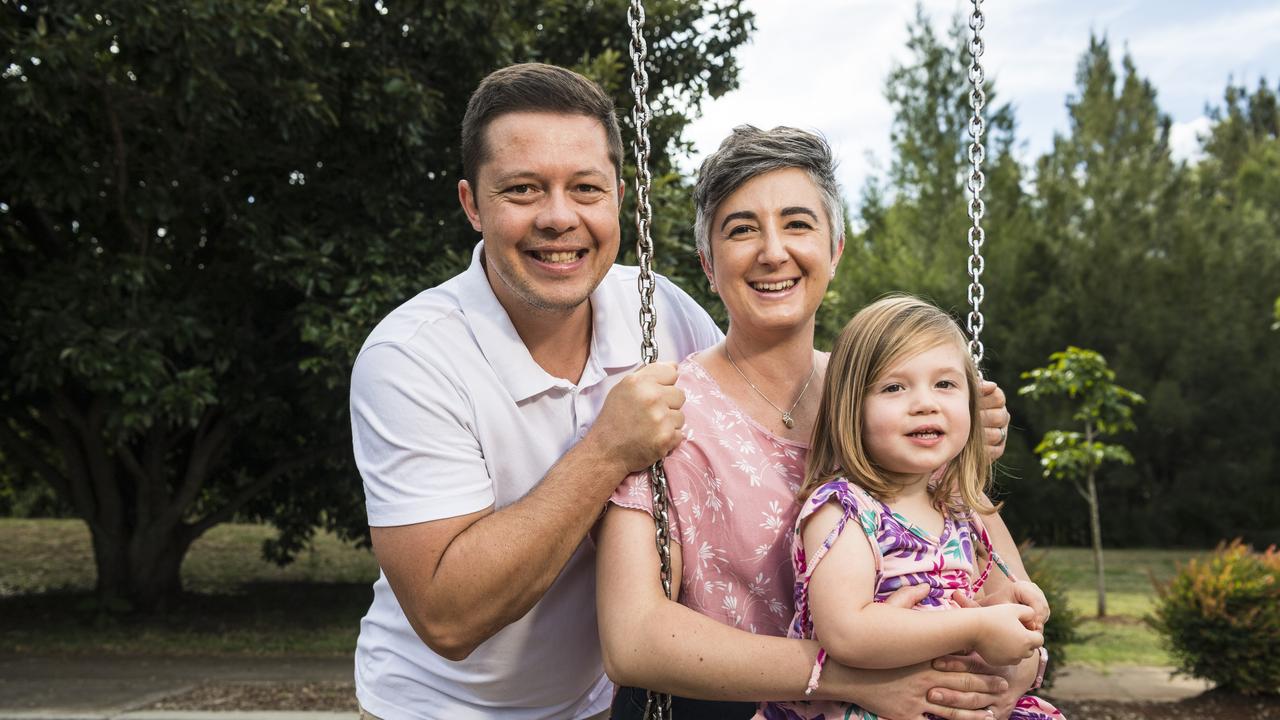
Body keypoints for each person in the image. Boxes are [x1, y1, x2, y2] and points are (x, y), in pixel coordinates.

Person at [351, 64, 1014, 718]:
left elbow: (999, 578)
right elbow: (451, 619)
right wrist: (607, 449)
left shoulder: (663, 314)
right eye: (522, 189)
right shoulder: (413, 359)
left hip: (589, 705)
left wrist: (942, 416)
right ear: (472, 203)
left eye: (585, 188)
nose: (559, 217)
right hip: (441, 705)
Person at [596, 126, 1042, 720]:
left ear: (834, 250)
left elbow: (999, 579)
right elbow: (631, 642)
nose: (773, 251)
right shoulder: (665, 411)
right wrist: (849, 680)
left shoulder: (894, 405)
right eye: (742, 229)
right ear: (708, 261)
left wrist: (1005, 676)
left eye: (798, 224)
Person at [758, 295, 1063, 720]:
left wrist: (1017, 611)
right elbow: (847, 632)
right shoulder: (845, 509)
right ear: (852, 410)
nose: (925, 402)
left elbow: (994, 617)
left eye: (945, 384)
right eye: (894, 387)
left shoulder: (957, 509)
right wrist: (975, 628)